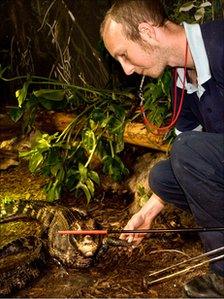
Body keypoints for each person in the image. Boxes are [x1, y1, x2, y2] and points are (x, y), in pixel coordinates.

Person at [100, 0, 224, 297]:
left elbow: (193, 152)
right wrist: (148, 213)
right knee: (163, 177)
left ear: (146, 32)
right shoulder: (182, 77)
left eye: (124, 56)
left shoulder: (219, 45)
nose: (127, 70)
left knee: (188, 151)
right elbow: (190, 158)